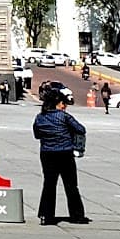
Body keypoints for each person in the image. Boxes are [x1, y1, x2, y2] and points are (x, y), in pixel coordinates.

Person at [32, 91, 89, 226]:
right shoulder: (64, 117)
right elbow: (81, 129)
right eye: (63, 104)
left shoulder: (40, 117)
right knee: (71, 186)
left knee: (49, 185)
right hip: (64, 153)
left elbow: (37, 135)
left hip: (47, 153)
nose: (65, 107)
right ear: (59, 104)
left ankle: (46, 215)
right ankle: (77, 215)